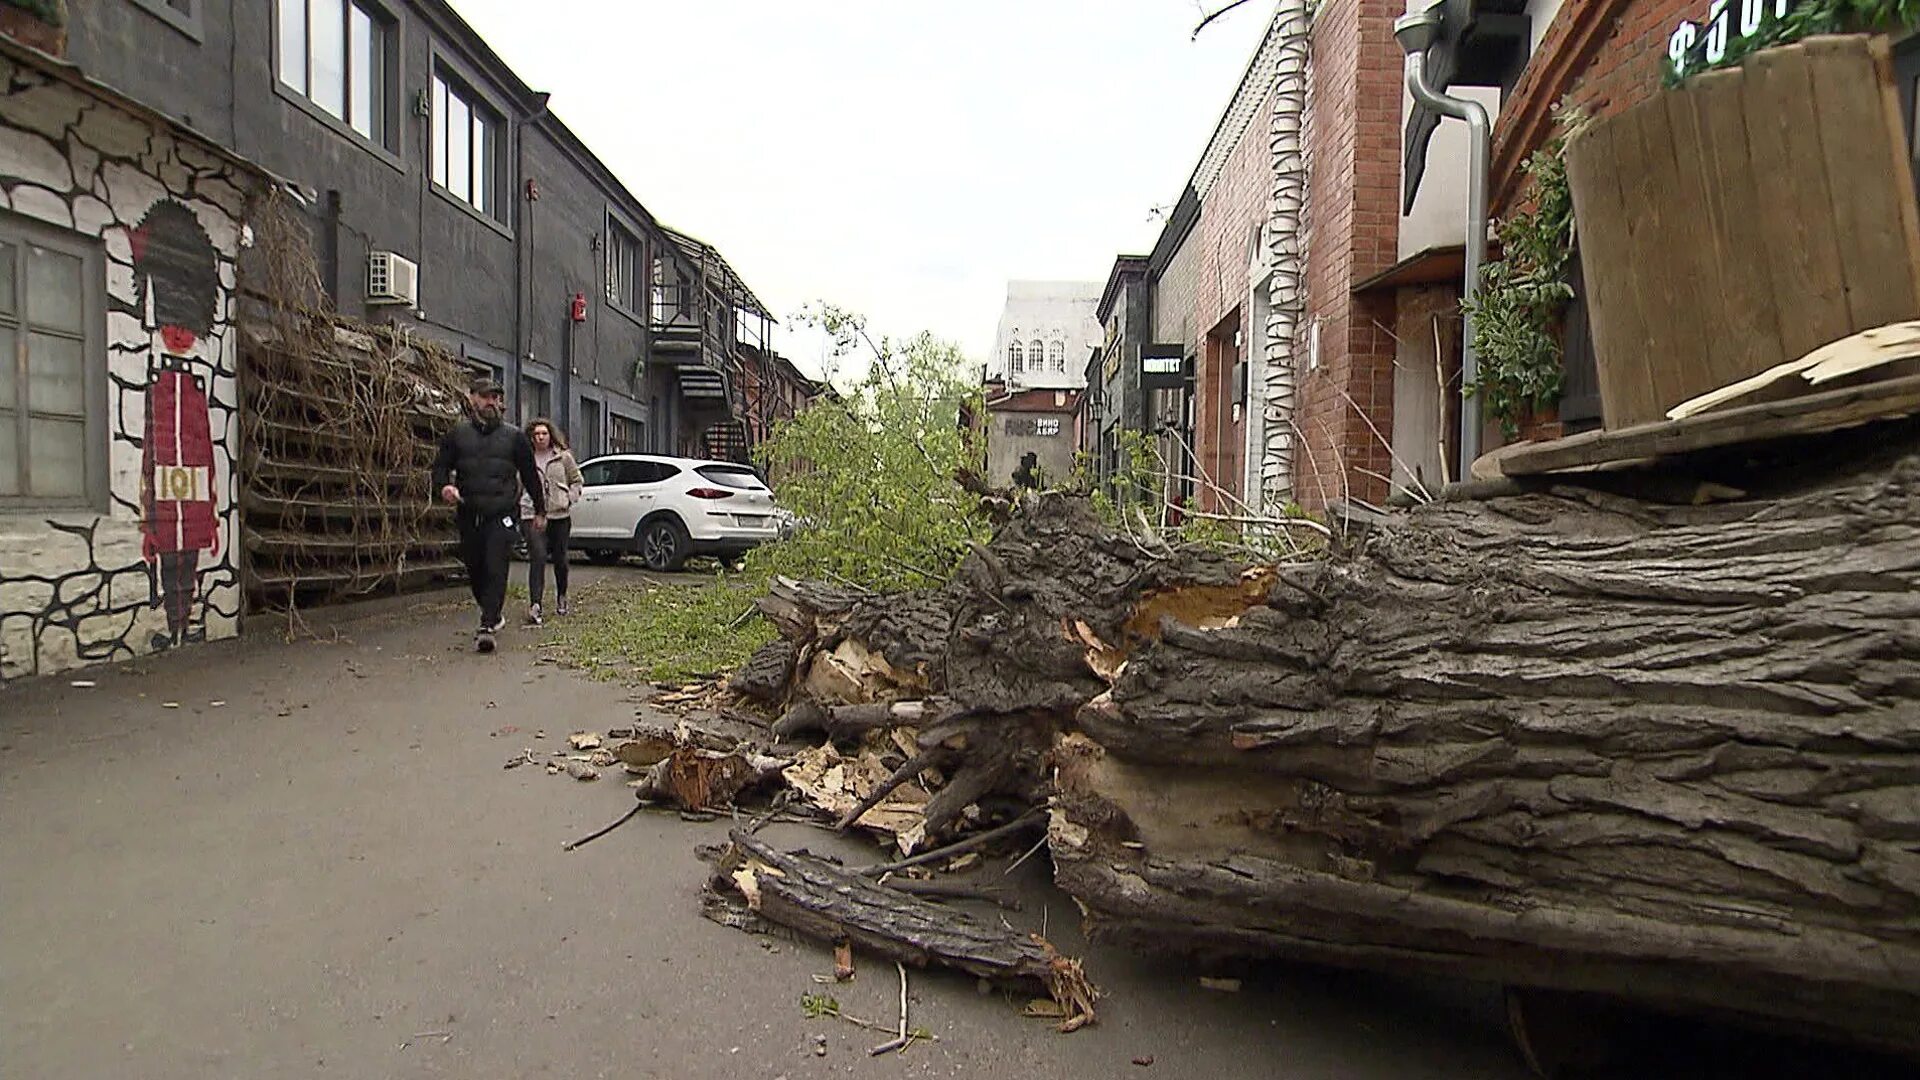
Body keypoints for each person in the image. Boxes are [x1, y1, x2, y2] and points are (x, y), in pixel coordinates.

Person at [431, 378, 546, 653]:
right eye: (485, 397)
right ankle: (492, 613)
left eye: (495, 397)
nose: (491, 402)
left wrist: (541, 510)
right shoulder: (457, 435)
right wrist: (444, 486)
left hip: (502, 512)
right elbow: (440, 468)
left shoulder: (514, 437)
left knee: (496, 565)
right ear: (472, 399)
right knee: (475, 568)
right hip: (469, 510)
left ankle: (486, 625)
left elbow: (530, 476)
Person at [520, 418, 584, 625]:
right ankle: (535, 604)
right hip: (532, 514)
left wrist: (569, 498)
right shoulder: (525, 458)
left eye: (544, 434)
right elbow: (516, 483)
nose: (540, 438)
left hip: (559, 515)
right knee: (537, 556)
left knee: (560, 558)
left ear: (551, 435)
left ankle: (562, 595)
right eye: (536, 434)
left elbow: (576, 480)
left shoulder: (563, 457)